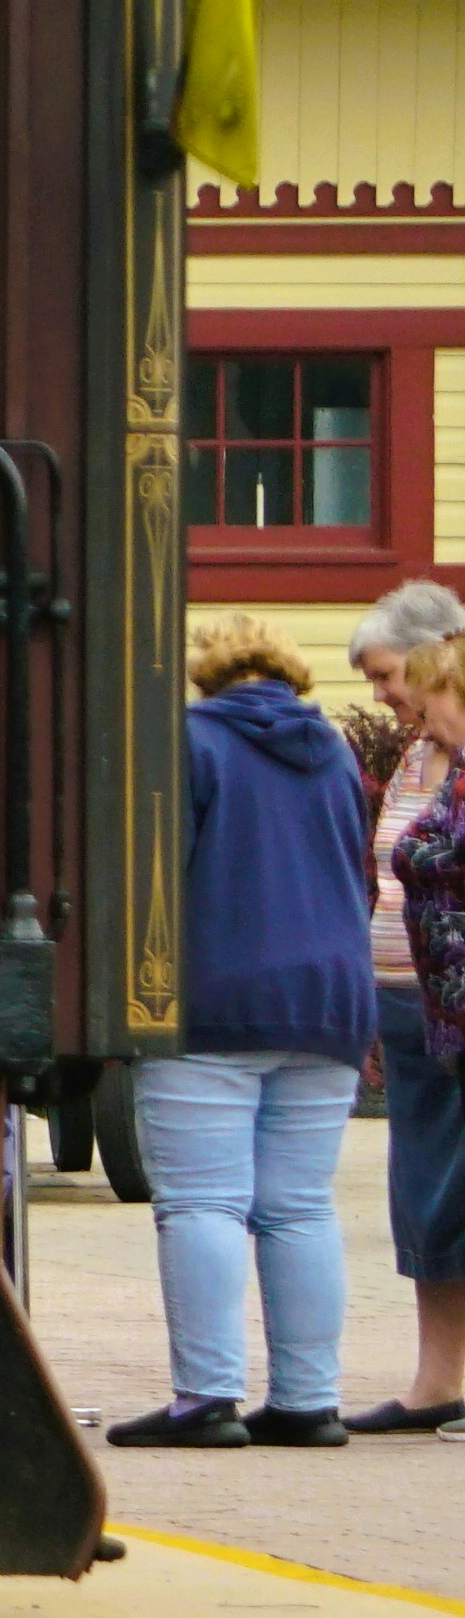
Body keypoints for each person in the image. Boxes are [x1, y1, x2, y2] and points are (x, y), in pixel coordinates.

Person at [124, 623, 381, 1450]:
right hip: (330, 1001)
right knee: (299, 1207)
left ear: (208, 676)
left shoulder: (190, 743)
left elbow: (158, 875)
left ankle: (206, 1399)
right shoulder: (336, 751)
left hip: (215, 998)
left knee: (204, 1202)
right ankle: (310, 1400)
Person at [370, 577, 465, 1431]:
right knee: (423, 1195)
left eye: (390, 675)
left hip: (458, 1004)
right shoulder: (414, 756)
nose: (384, 695)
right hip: (407, 1002)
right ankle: (437, 1381)